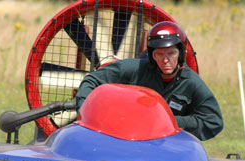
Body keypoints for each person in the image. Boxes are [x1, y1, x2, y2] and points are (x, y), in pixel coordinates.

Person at [75, 21, 223, 141]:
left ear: (181, 54)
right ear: (152, 56)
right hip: (126, 135)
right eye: (159, 54)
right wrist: (85, 111)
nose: (165, 60)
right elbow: (92, 79)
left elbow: (213, 122)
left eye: (171, 53)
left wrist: (169, 122)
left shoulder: (191, 82)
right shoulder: (137, 68)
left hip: (167, 141)